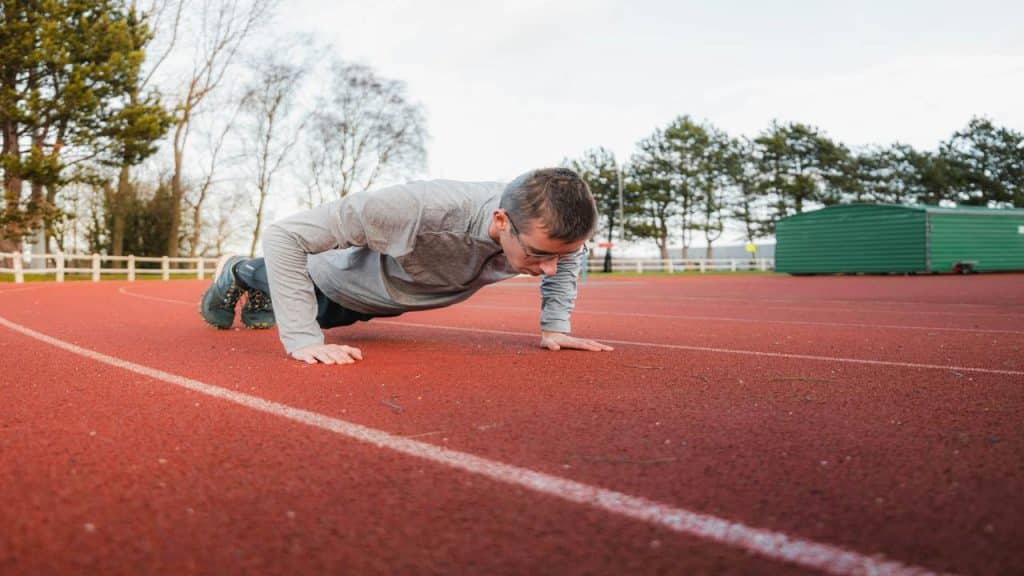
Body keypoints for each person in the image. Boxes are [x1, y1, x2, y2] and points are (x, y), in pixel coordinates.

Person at [199, 167, 614, 364]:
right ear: (501, 221)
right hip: (335, 280)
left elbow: (565, 254)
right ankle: (238, 271)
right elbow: (284, 235)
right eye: (540, 255)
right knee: (320, 313)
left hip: (397, 292)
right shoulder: (417, 209)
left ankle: (261, 295)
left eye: (564, 255)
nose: (550, 270)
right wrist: (304, 340)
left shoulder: (544, 227)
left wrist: (555, 326)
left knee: (330, 314)